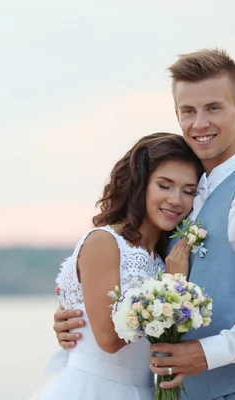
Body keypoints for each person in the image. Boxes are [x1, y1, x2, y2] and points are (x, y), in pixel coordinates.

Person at [52, 49, 235, 399]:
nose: (199, 123)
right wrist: (80, 322)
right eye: (189, 111)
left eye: (214, 108)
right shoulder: (184, 199)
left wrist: (208, 353)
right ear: (177, 114)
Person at [29, 132, 203, 400]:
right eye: (164, 186)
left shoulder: (164, 257)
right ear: (140, 184)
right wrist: (172, 285)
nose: (176, 200)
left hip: (143, 390)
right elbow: (108, 341)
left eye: (188, 191)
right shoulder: (105, 242)